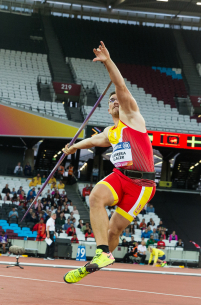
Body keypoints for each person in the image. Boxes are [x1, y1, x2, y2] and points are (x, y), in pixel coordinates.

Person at [63, 41, 156, 283]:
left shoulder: (133, 117)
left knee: (116, 229)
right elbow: (93, 141)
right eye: (111, 101)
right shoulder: (110, 132)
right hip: (122, 176)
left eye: (117, 99)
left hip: (142, 184)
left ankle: (103, 257)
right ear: (107, 109)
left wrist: (107, 62)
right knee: (95, 197)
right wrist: (73, 146)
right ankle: (102, 253)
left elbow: (120, 84)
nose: (115, 101)